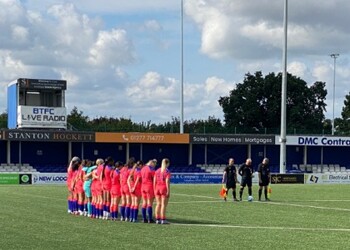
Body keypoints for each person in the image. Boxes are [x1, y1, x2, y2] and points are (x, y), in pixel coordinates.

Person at [154, 158, 171, 224]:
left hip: (157, 188)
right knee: (163, 205)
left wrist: (155, 189)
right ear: (167, 163)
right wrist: (168, 191)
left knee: (158, 204)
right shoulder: (167, 171)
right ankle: (163, 219)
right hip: (163, 188)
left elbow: (154, 181)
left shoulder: (157, 170)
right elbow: (167, 182)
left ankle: (157, 219)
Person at [141, 159, 157, 223]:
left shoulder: (143, 168)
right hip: (149, 186)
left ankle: (144, 218)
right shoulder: (151, 169)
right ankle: (150, 219)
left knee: (144, 203)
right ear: (152, 163)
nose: (155, 165)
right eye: (154, 164)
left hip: (143, 187)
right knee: (149, 203)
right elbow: (154, 179)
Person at [120, 157, 135, 221]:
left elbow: (120, 178)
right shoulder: (130, 170)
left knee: (123, 202)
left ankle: (122, 217)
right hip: (127, 187)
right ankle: (127, 217)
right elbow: (131, 178)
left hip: (122, 186)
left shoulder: (123, 169)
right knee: (129, 203)